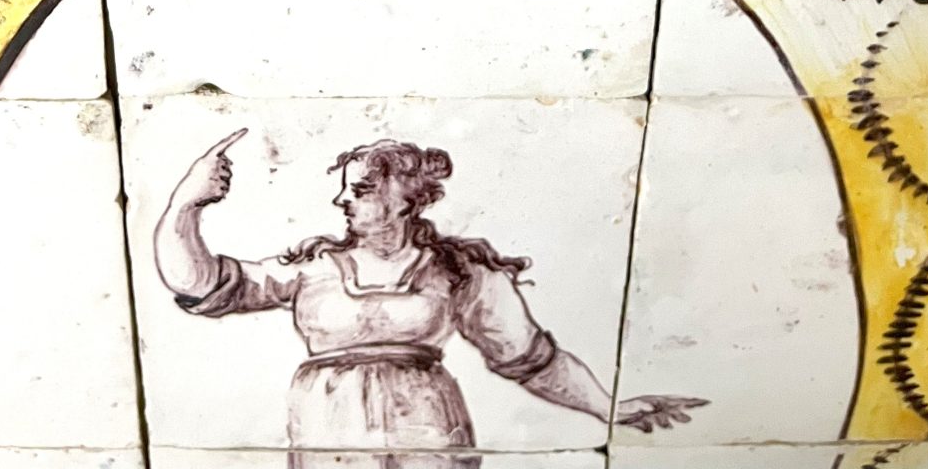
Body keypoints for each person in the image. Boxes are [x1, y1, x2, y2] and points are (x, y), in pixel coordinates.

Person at [155, 130, 705, 467]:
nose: (342, 200)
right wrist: (187, 203)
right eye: (344, 189)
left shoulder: (456, 271)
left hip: (429, 439)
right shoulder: (312, 270)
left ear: (405, 199)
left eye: (360, 189)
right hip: (331, 440)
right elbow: (198, 282)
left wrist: (608, 408)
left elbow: (531, 359)